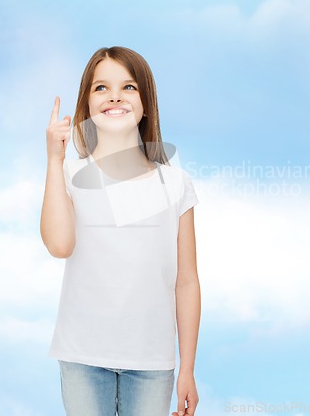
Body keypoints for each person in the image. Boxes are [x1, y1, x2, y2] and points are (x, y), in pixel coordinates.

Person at [40, 46, 201, 416]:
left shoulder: (176, 184)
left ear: (146, 103)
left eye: (128, 87)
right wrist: (53, 158)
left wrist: (187, 368)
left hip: (151, 361)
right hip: (82, 355)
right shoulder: (68, 174)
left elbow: (187, 281)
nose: (114, 95)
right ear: (86, 104)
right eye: (101, 88)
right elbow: (60, 245)